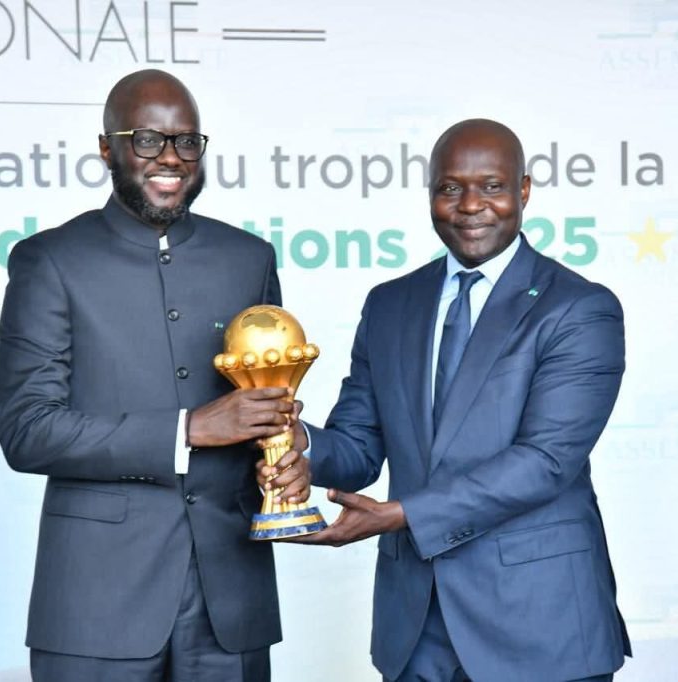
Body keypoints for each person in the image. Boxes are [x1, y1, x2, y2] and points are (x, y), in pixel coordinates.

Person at [269, 119, 631, 681]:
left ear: (524, 190)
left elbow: (545, 461)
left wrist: (403, 514)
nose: (470, 205)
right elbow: (359, 446)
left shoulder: (578, 309)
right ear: (430, 194)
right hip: (416, 630)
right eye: (450, 188)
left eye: (492, 186)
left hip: (540, 624)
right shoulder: (391, 304)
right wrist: (298, 442)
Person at [0, 69, 309, 682]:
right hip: (96, 605)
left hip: (231, 603)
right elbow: (27, 431)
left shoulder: (248, 258)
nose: (170, 157)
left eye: (187, 141)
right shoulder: (50, 261)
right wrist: (186, 430)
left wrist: (286, 449)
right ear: (106, 148)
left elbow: (265, 400)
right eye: (147, 140)